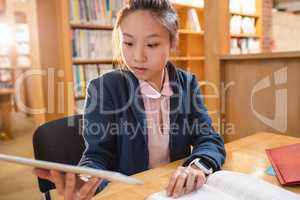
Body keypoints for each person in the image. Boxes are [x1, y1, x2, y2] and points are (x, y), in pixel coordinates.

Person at [33, 0, 226, 199]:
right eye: (128, 43)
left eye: (151, 44)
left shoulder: (187, 83)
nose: (137, 56)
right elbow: (97, 156)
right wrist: (86, 178)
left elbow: (208, 138)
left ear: (173, 43)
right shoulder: (104, 89)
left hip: (177, 192)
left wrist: (198, 166)